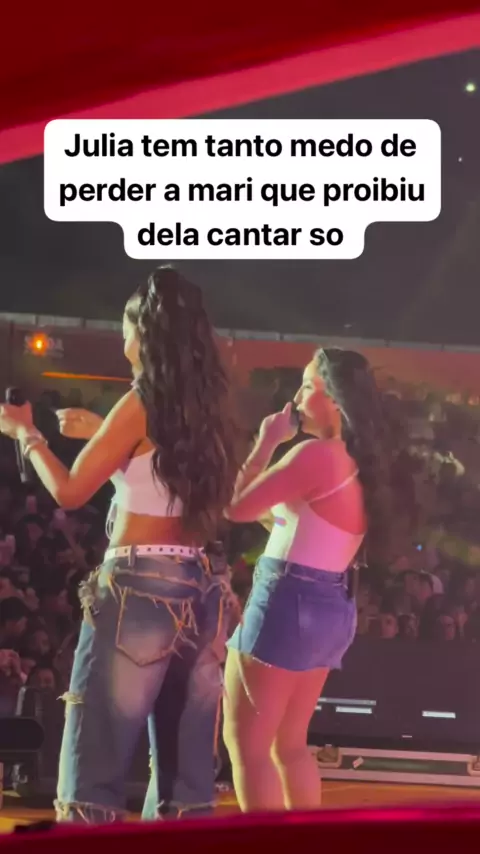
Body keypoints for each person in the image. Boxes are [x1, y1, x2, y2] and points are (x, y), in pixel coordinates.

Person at [0, 265, 239, 823]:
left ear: (144, 335)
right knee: (185, 779)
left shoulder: (141, 401)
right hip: (203, 589)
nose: (122, 340)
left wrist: (26, 435)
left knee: (96, 761)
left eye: (126, 328)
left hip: (139, 588)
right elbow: (160, 485)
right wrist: (103, 436)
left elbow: (68, 491)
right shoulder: (208, 409)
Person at [223, 348, 409, 812]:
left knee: (247, 745)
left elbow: (236, 507)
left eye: (308, 386)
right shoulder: (364, 464)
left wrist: (265, 442)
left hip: (288, 598)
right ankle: (308, 839)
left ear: (337, 401)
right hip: (331, 603)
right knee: (289, 745)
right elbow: (301, 526)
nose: (297, 396)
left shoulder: (315, 454)